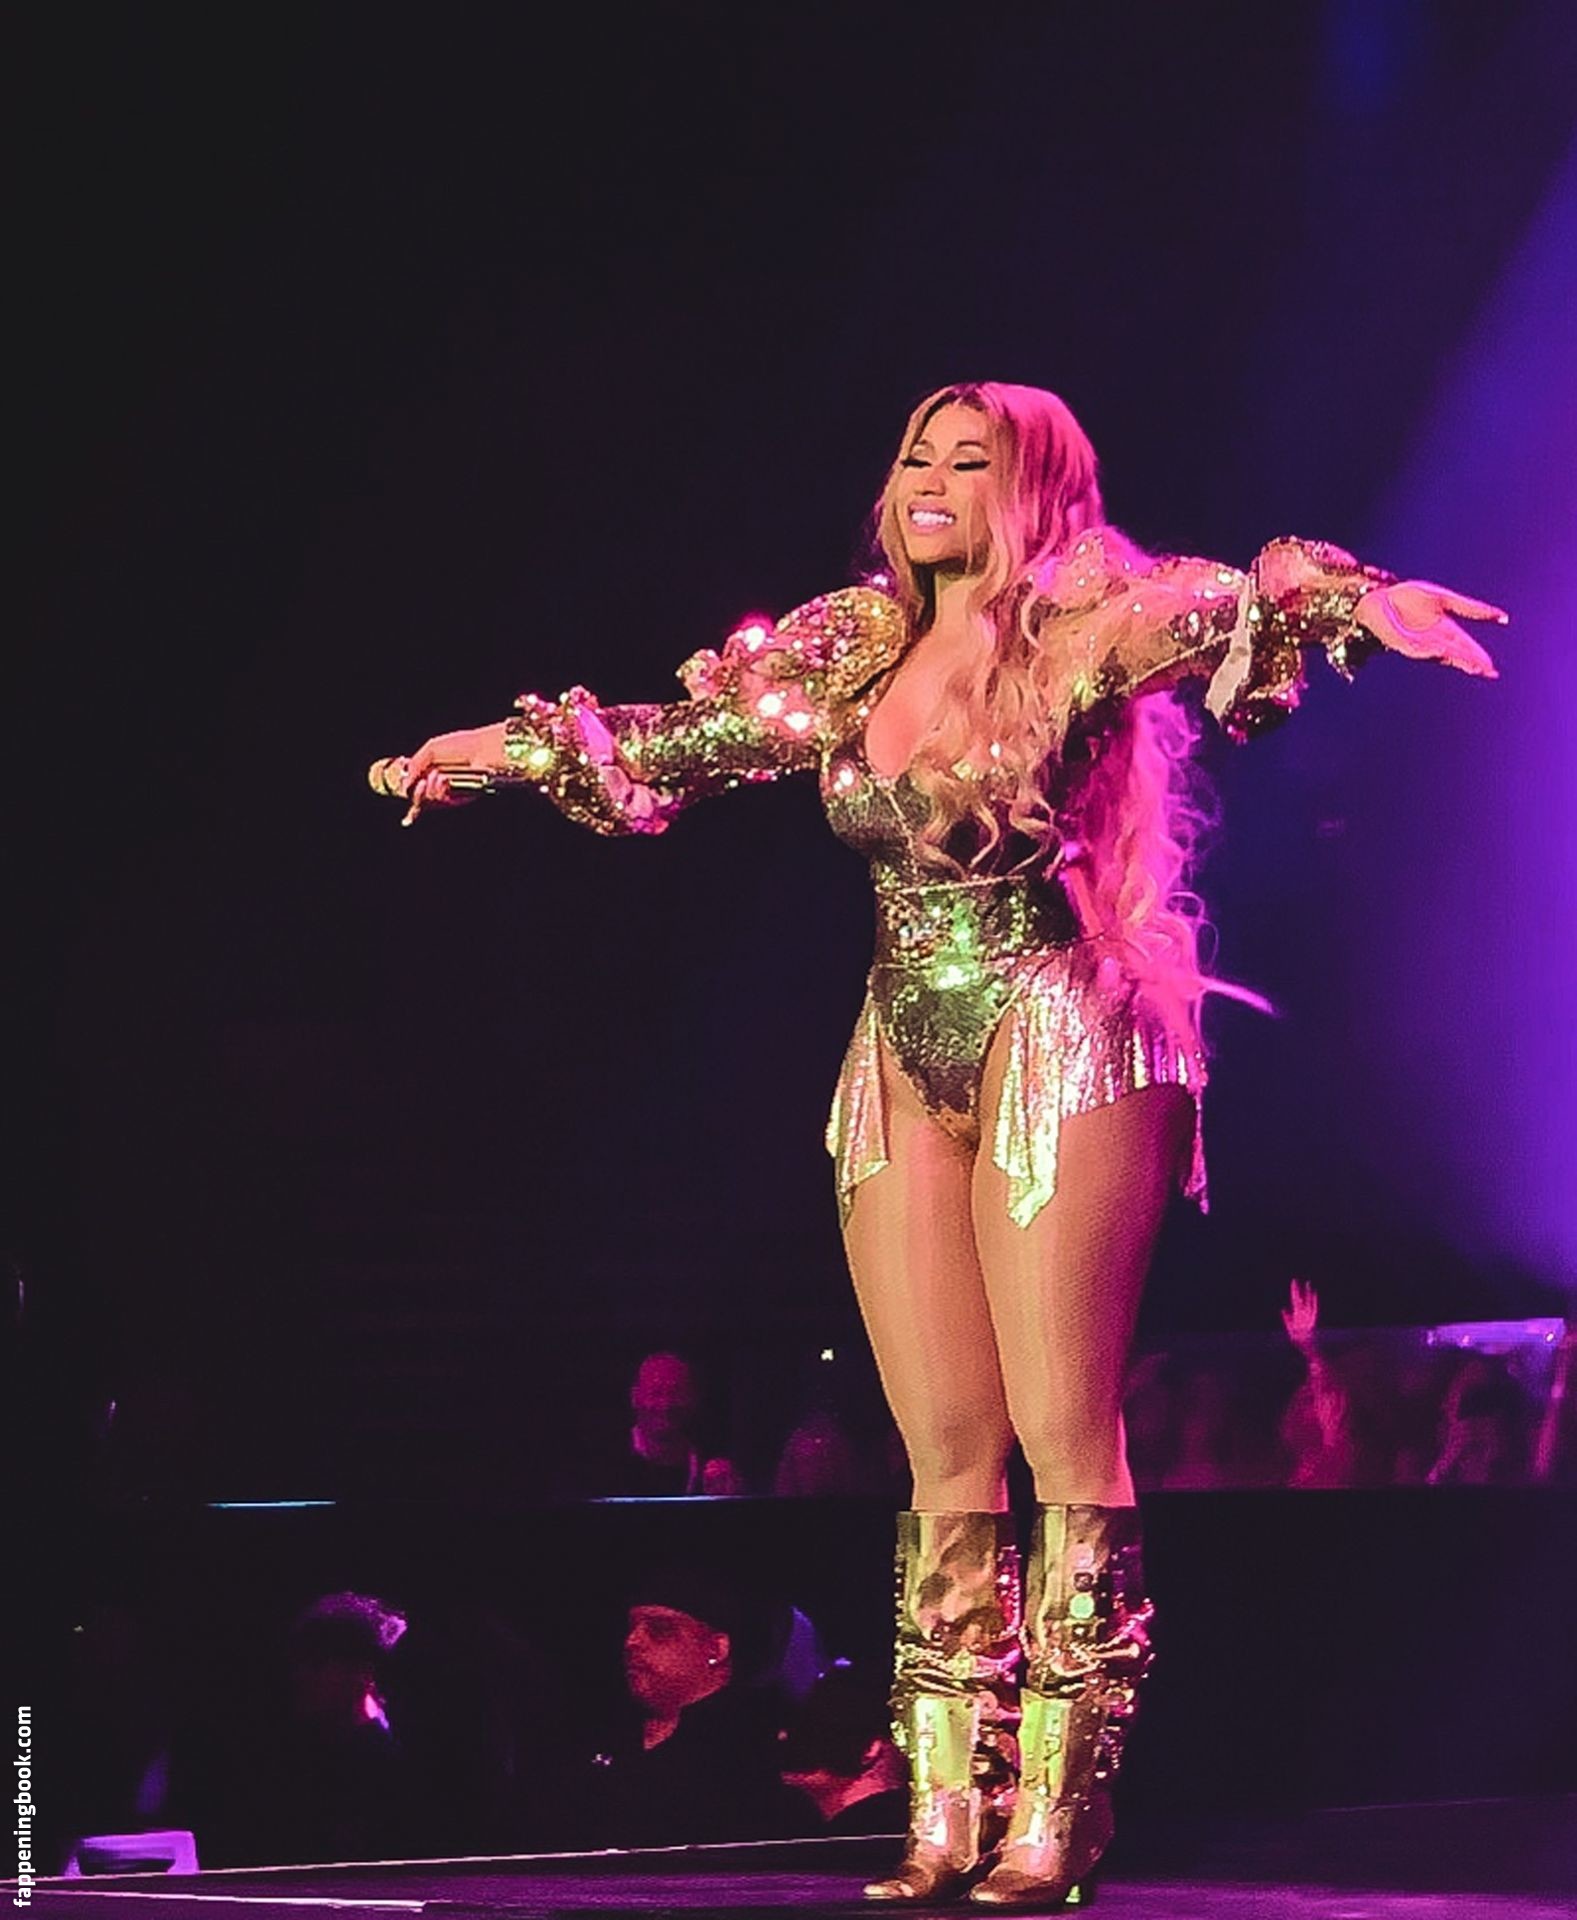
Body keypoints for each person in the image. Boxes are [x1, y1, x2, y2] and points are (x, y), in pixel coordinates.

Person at [373, 381, 1502, 1905]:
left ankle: (1058, 1809)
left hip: (1062, 1028)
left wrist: (1366, 603)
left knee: (1060, 1430)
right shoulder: (848, 647)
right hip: (902, 1043)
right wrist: (494, 753)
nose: (930, 478)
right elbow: (677, 740)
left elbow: (1239, 602)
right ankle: (945, 1808)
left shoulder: (1086, 621)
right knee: (944, 1449)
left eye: (970, 461)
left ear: (1031, 492)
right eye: (918, 453)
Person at [574, 1570, 795, 1847]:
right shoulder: (601, 1735)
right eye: (630, 1628)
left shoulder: (760, 1748)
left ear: (716, 1648)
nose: (632, 1642)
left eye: (659, 1629)